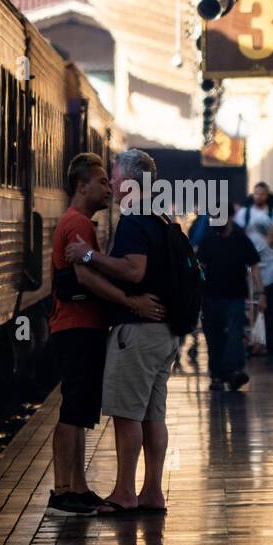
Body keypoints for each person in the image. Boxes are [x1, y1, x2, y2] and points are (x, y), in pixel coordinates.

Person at [47, 153, 164, 516]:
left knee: (80, 410)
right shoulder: (77, 224)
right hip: (77, 326)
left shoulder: (82, 223)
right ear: (82, 186)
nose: (108, 188)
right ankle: (63, 491)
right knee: (73, 410)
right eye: (101, 182)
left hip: (83, 326)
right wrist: (131, 302)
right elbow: (85, 277)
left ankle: (77, 487)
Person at [197, 214, 263, 391]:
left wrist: (261, 292)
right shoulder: (208, 240)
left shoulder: (241, 240)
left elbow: (254, 265)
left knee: (235, 333)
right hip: (211, 297)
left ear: (230, 217)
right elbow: (200, 267)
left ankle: (233, 371)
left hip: (235, 296)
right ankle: (218, 374)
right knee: (214, 336)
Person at [234, 182, 273, 357]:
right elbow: (236, 232)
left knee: (271, 308)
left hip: (270, 267)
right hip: (249, 267)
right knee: (251, 305)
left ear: (267, 195)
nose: (259, 197)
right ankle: (253, 342)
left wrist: (270, 240)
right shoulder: (244, 213)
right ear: (253, 195)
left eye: (262, 194)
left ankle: (270, 346)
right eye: (256, 194)